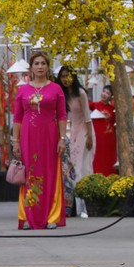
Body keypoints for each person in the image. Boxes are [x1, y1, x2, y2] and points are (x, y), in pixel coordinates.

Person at [12, 52, 68, 230]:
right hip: (28, 136)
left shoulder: (56, 89)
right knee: (29, 173)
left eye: (43, 63)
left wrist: (62, 138)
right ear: (31, 67)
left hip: (50, 136)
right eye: (36, 63)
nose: (40, 66)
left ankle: (52, 215)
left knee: (50, 172)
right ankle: (27, 216)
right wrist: (15, 141)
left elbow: (61, 115)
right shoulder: (23, 90)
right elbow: (17, 118)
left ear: (48, 66)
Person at [58, 66, 95, 218]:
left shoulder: (81, 94)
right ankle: (77, 206)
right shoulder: (65, 95)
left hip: (86, 132)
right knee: (74, 169)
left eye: (68, 76)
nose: (66, 79)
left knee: (83, 168)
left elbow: (87, 117)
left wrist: (90, 137)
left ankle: (86, 207)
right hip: (73, 132)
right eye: (63, 77)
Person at [90, 85, 117, 176]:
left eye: (107, 93)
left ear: (111, 96)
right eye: (104, 91)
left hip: (109, 138)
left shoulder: (113, 110)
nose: (104, 94)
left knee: (109, 158)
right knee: (97, 158)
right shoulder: (94, 105)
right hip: (97, 138)